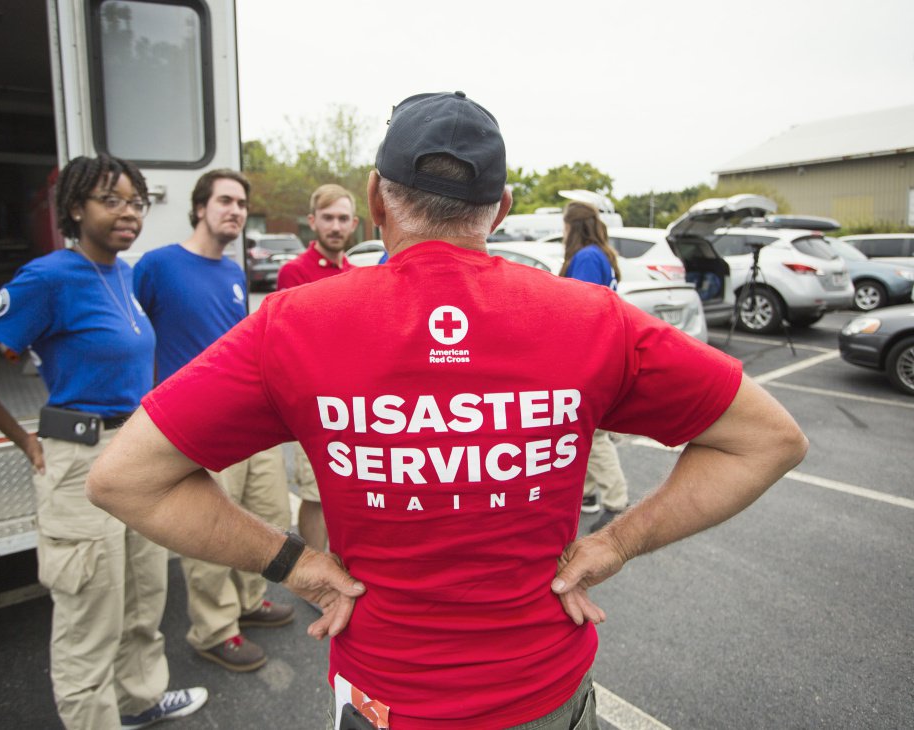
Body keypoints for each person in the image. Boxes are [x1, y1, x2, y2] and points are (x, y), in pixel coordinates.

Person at [86, 92, 808, 729]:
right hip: (544, 694)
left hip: (386, 697)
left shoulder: (296, 324)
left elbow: (123, 477)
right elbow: (768, 439)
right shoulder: (593, 320)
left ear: (375, 199)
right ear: (501, 209)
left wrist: (296, 566)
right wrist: (616, 544)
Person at [0, 154, 206, 729]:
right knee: (90, 614)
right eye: (111, 200)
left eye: (135, 201)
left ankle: (140, 700)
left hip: (135, 457)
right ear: (75, 208)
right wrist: (21, 439)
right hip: (78, 461)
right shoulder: (48, 277)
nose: (128, 212)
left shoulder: (125, 276)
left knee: (142, 595)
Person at [133, 169, 294, 673]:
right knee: (208, 528)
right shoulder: (158, 266)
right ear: (200, 206)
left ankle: (250, 600)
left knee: (263, 515)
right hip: (195, 429)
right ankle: (214, 628)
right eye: (225, 201)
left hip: (248, 425)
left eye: (242, 204)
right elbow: (134, 333)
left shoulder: (231, 272)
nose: (236, 211)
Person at [275, 183, 359, 551]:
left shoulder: (357, 274)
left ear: (355, 223)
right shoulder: (294, 273)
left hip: (354, 406)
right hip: (317, 405)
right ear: (312, 221)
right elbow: (292, 346)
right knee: (314, 493)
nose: (335, 226)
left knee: (348, 494)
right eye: (328, 218)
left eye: (343, 218)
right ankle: (317, 575)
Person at [559, 201, 630, 532]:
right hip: (603, 350)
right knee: (580, 432)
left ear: (573, 226)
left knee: (596, 435)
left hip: (588, 356)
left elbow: (581, 311)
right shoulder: (601, 253)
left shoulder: (586, 257)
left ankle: (616, 503)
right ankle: (586, 496)